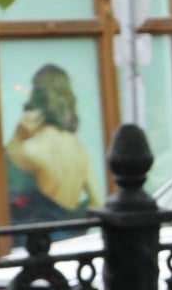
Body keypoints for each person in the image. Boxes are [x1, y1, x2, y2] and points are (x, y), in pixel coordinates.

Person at [6, 64, 103, 237]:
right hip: (72, 242)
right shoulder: (78, 148)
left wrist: (16, 137)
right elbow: (98, 201)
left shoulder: (31, 150)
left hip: (38, 244)